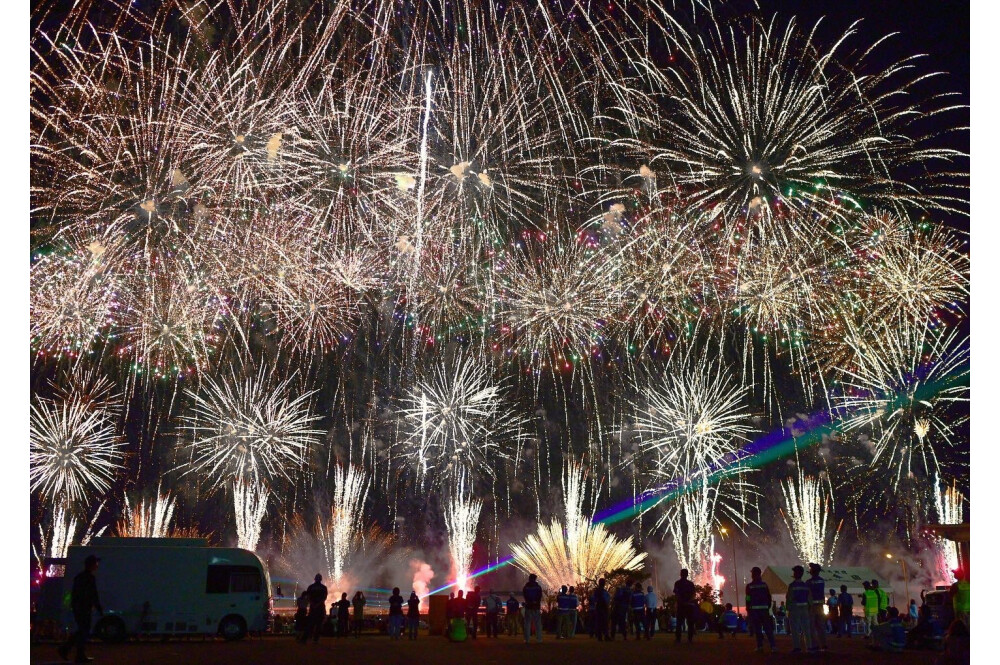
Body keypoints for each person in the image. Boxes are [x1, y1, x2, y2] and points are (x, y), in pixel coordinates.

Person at [58, 555, 103, 663]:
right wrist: (98, 608)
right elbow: (93, 594)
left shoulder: (79, 577)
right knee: (84, 631)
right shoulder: (89, 578)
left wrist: (74, 607)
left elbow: (75, 594)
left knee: (82, 630)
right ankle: (70, 651)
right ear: (91, 565)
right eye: (96, 563)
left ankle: (73, 652)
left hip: (78, 608)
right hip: (84, 608)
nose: (97, 565)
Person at [746, 566, 776, 652]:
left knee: (757, 629)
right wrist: (768, 606)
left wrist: (748, 609)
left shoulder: (749, 586)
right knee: (768, 628)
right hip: (764, 610)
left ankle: (760, 646)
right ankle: (773, 646)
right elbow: (768, 596)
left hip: (754, 610)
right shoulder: (764, 585)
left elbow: (748, 598)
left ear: (753, 574)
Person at [786, 565, 813, 653]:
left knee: (795, 629)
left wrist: (788, 609)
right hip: (805, 609)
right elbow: (810, 600)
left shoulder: (792, 586)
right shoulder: (805, 586)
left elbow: (789, 598)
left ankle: (797, 647)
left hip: (795, 609)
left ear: (796, 573)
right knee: (806, 629)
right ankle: (809, 647)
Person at [805, 563, 827, 651]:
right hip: (820, 606)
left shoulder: (808, 582)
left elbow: (807, 594)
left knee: (811, 626)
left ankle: (814, 644)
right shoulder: (822, 581)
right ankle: (824, 644)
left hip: (812, 606)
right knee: (821, 626)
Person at [299, 574, 327, 644]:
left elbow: (308, 597)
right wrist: (318, 604)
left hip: (313, 607)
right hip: (320, 607)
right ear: (321, 579)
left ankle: (304, 639)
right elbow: (324, 598)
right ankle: (315, 639)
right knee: (318, 624)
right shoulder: (323, 587)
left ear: (315, 579)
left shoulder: (311, 587)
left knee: (310, 624)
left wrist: (312, 604)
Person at [673, 568, 697, 644]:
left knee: (679, 623)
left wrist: (681, 601)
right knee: (690, 623)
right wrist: (689, 601)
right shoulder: (690, 584)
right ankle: (690, 639)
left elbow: (676, 594)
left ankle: (678, 639)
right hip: (689, 606)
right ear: (687, 574)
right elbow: (694, 594)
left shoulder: (677, 583)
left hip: (681, 605)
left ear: (681, 574)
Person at [522, 573, 543, 643]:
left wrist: (529, 602)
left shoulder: (526, 587)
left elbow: (525, 596)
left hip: (528, 606)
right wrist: (536, 602)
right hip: (536, 607)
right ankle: (539, 639)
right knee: (538, 624)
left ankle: (527, 639)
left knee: (527, 624)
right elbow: (540, 596)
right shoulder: (538, 587)